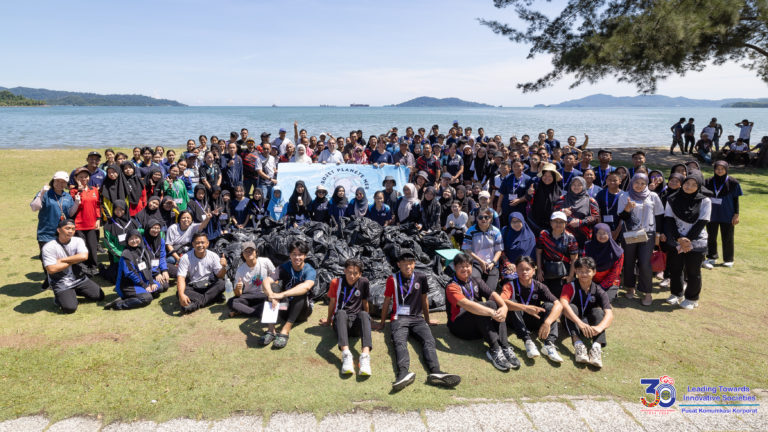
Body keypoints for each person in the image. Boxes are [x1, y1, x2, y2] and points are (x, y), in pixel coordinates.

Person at [373, 251, 461, 390]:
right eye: (404, 264)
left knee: (429, 340)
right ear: (399, 265)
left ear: (414, 264)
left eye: (410, 263)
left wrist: (427, 319)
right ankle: (403, 374)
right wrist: (382, 323)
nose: (408, 266)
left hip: (417, 318)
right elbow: (387, 301)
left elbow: (424, 299)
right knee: (399, 342)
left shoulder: (421, 277)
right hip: (399, 318)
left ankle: (436, 372)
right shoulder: (392, 279)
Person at [445, 253, 518, 371]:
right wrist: (492, 313)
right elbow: (467, 304)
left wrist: (504, 307)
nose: (465, 269)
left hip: (478, 326)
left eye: (467, 266)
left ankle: (505, 347)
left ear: (472, 267)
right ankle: (495, 349)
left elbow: (493, 294)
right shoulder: (452, 286)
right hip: (460, 326)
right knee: (481, 307)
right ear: (455, 267)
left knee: (494, 303)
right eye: (461, 266)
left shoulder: (476, 279)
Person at [500, 256, 564, 362]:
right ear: (516, 270)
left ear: (533, 271)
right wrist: (525, 307)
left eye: (527, 269)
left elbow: (559, 305)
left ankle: (549, 344)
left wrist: (547, 322)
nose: (524, 272)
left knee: (550, 306)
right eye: (521, 269)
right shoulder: (510, 284)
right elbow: (502, 301)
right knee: (513, 303)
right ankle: (528, 341)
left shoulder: (540, 286)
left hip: (534, 319)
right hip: (516, 320)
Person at [664, 171, 711, 309]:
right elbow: (669, 219)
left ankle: (692, 298)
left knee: (693, 271)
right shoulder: (672, 198)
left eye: (693, 184)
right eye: (687, 183)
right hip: (676, 239)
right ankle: (676, 293)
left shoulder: (705, 201)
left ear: (699, 186)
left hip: (696, 241)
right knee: (675, 268)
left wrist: (687, 240)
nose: (689, 187)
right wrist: (679, 239)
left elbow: (702, 222)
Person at [319, 258, 373, 376]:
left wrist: (367, 322)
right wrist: (329, 320)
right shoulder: (336, 282)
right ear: (344, 271)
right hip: (341, 323)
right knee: (341, 313)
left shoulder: (364, 282)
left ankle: (365, 357)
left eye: (355, 273)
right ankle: (346, 355)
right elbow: (332, 303)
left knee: (364, 314)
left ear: (360, 274)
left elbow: (365, 303)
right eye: (349, 272)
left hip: (356, 326)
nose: (351, 276)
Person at [617, 173, 665, 305]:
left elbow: (659, 215)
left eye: (642, 183)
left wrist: (658, 234)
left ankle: (647, 292)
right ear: (632, 182)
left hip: (648, 233)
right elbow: (622, 216)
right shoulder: (624, 196)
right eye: (636, 182)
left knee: (644, 263)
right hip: (630, 233)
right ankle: (630, 287)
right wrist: (627, 208)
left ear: (646, 184)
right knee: (629, 261)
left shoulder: (653, 196)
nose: (639, 185)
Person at [259, 240, 316, 348]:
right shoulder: (284, 267)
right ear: (290, 255)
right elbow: (266, 281)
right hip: (284, 309)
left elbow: (307, 286)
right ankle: (271, 330)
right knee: (272, 287)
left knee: (300, 291)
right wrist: (271, 295)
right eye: (294, 254)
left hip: (302, 312)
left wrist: (281, 295)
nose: (297, 257)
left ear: (305, 256)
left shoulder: (309, 270)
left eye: (300, 254)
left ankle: (285, 330)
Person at [559, 257, 614, 368]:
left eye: (587, 271)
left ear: (594, 272)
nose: (584, 274)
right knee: (570, 307)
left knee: (598, 311)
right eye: (580, 271)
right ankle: (578, 344)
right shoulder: (570, 286)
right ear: (576, 271)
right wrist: (579, 323)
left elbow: (609, 314)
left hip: (590, 327)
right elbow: (563, 304)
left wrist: (599, 328)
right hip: (573, 322)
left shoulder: (599, 290)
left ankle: (596, 348)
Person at [41, 219, 105, 313]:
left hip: (79, 279)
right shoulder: (49, 247)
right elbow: (51, 269)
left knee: (99, 296)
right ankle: (60, 298)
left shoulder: (78, 240)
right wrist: (75, 260)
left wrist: (62, 260)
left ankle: (72, 293)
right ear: (59, 230)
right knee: (70, 308)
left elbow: (84, 256)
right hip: (61, 282)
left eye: (73, 228)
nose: (71, 231)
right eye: (67, 228)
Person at [31, 171, 77, 290]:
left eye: (63, 182)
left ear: (66, 184)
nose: (60, 184)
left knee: (61, 256)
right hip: (46, 232)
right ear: (53, 181)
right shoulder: (46, 193)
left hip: (62, 233)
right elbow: (34, 207)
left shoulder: (67, 196)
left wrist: (77, 203)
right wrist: (41, 193)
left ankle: (58, 279)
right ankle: (48, 278)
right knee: (46, 257)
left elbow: (70, 213)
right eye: (57, 181)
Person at [104, 229, 161, 310]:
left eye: (136, 238)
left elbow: (148, 268)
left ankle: (133, 296)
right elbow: (131, 273)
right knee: (147, 298)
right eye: (131, 239)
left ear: (140, 238)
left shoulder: (142, 250)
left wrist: (151, 282)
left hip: (142, 280)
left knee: (160, 287)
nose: (134, 241)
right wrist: (145, 286)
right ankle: (118, 304)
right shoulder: (126, 254)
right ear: (127, 241)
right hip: (128, 285)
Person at [176, 232, 228, 314]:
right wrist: (181, 294)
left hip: (209, 285)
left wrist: (224, 267)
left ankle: (195, 304)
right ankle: (213, 298)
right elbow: (181, 278)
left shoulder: (213, 256)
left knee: (222, 283)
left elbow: (220, 276)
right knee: (180, 292)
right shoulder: (185, 258)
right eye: (197, 243)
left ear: (207, 243)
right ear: (193, 244)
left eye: (203, 242)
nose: (200, 245)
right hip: (193, 287)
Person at [704, 161, 742, 268]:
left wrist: (736, 214)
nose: (719, 171)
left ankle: (728, 259)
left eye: (722, 168)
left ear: (726, 169)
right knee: (711, 236)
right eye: (717, 168)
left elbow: (736, 200)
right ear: (714, 169)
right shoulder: (708, 181)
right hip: (711, 214)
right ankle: (711, 257)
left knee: (728, 237)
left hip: (727, 214)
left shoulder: (733, 182)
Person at [227, 241, 275, 317]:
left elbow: (275, 278)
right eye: (245, 251)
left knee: (273, 299)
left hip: (264, 294)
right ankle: (258, 313)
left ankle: (243, 311)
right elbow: (238, 294)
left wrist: (273, 291)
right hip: (249, 296)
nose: (248, 253)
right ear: (242, 254)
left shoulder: (265, 262)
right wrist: (238, 288)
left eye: (251, 251)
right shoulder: (240, 270)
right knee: (231, 302)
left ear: (256, 252)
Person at [536, 211, 578, 297]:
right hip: (546, 271)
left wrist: (570, 276)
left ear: (565, 223)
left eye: (561, 222)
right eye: (555, 221)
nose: (558, 224)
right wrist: (539, 270)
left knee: (559, 296)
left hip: (563, 273)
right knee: (544, 295)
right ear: (551, 222)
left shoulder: (570, 237)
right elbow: (538, 252)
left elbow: (574, 258)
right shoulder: (544, 234)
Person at [462, 208, 504, 292]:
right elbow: (467, 250)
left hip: (492, 265)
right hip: (476, 263)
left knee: (489, 290)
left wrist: (493, 263)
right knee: (474, 285)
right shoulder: (471, 231)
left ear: (490, 218)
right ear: (477, 218)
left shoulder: (496, 231)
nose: (483, 219)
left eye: (486, 217)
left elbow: (499, 250)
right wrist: (481, 261)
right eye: (480, 217)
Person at [70, 167, 101, 275]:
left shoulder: (94, 190)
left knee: (92, 246)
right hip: (79, 224)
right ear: (76, 178)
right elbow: (74, 206)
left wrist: (98, 219)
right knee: (81, 247)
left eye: (86, 176)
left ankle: (93, 266)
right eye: (80, 177)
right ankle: (83, 268)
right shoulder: (73, 191)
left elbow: (97, 205)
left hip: (92, 223)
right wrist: (79, 190)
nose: (83, 179)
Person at [554, 176, 600, 251]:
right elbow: (554, 214)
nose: (576, 187)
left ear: (584, 186)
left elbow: (596, 217)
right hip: (563, 236)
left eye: (579, 185)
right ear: (570, 185)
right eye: (574, 184)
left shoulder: (590, 201)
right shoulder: (562, 199)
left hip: (583, 238)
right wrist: (562, 211)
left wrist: (581, 222)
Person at [583, 224, 624, 302]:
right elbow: (584, 266)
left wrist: (600, 287)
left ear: (609, 234)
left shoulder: (617, 252)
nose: (602, 236)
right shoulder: (588, 246)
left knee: (602, 300)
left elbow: (615, 273)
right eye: (599, 233)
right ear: (595, 234)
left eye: (604, 233)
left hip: (609, 283)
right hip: (590, 280)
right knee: (584, 298)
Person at [101, 201, 134, 283]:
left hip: (132, 255)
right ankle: (102, 269)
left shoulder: (132, 222)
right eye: (116, 209)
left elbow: (139, 235)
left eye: (121, 209)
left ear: (125, 210)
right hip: (117, 256)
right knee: (115, 278)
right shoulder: (109, 225)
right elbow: (108, 242)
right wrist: (119, 254)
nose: (119, 211)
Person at [526, 163, 563, 234]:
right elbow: (528, 199)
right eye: (545, 175)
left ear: (554, 177)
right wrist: (529, 193)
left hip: (551, 224)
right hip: (534, 222)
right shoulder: (535, 186)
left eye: (550, 176)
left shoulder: (558, 190)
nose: (547, 178)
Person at [142, 219, 173, 285]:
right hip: (147, 268)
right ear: (148, 228)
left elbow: (162, 257)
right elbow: (142, 261)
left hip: (157, 265)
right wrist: (155, 273)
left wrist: (164, 270)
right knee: (164, 286)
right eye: (153, 228)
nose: (156, 230)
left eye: (158, 228)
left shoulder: (161, 241)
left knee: (178, 272)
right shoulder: (142, 241)